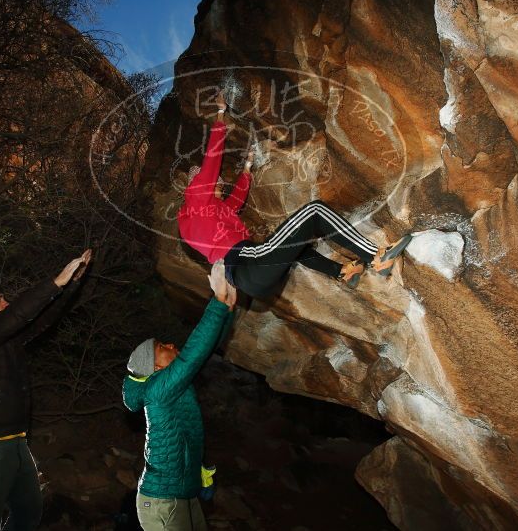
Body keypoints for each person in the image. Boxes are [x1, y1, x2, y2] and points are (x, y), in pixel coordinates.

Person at [177, 91, 411, 299]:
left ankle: (341, 272)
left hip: (249, 281)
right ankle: (375, 257)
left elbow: (236, 201)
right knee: (315, 211)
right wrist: (220, 114)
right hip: (246, 262)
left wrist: (247, 169)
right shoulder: (197, 196)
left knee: (295, 243)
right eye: (216, 184)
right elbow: (211, 160)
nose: (219, 185)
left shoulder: (205, 214)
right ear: (200, 185)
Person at [0, 249, 92, 531]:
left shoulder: (7, 341)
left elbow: (40, 319)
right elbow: (16, 316)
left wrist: (73, 283)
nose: (6, 303)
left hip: (17, 441)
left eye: (4, 298)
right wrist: (56, 281)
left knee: (28, 512)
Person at [123, 260, 237, 531]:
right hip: (161, 501)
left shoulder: (172, 385)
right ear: (157, 367)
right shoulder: (159, 390)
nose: (171, 344)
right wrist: (218, 302)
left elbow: (205, 349)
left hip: (182, 494)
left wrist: (228, 310)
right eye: (162, 347)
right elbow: (192, 354)